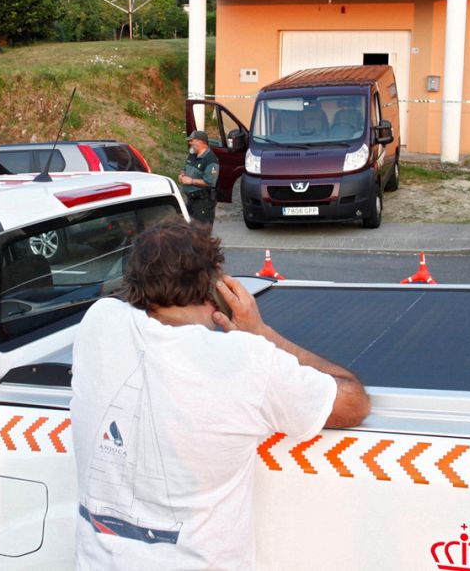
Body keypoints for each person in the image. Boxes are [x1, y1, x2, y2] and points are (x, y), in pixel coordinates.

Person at [71, 220, 369, 569]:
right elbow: (353, 401)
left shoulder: (98, 323)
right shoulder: (248, 360)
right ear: (213, 286)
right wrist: (261, 332)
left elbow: (133, 309)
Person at [177, 131, 219, 231]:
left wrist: (191, 181)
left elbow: (210, 182)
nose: (190, 143)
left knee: (201, 232)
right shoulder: (192, 154)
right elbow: (185, 168)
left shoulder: (211, 160)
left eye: (192, 141)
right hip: (191, 199)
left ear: (200, 142)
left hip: (203, 201)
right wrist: (182, 174)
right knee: (188, 229)